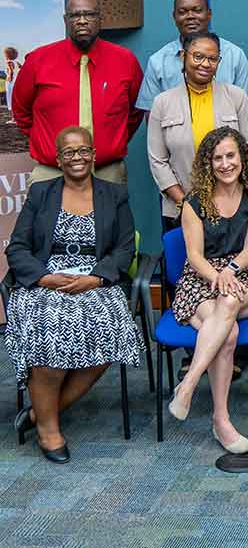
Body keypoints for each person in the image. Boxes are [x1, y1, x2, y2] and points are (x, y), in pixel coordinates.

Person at [4, 127, 144, 463]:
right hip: (46, 277)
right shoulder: (42, 193)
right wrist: (45, 278)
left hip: (94, 278)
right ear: (58, 158)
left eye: (83, 151)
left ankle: (40, 412)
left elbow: (124, 249)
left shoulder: (114, 194)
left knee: (112, 331)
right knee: (47, 331)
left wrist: (96, 278)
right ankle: (49, 431)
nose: (77, 158)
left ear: (94, 155)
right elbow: (19, 247)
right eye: (69, 152)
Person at [164, 127, 248, 455]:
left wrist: (230, 272)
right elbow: (194, 255)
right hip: (199, 276)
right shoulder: (194, 201)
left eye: (230, 156)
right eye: (217, 158)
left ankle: (189, 384)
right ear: (208, 163)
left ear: (242, 158)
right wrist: (217, 276)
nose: (225, 164)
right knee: (229, 332)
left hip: (239, 272)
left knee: (229, 301)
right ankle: (221, 420)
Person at [11, 0, 143, 183]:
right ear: (66, 20)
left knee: (111, 214)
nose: (82, 21)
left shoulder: (125, 60)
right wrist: (45, 140)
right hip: (52, 172)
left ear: (100, 19)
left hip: (107, 172)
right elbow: (21, 110)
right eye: (75, 15)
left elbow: (135, 112)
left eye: (89, 15)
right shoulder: (39, 60)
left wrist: (111, 142)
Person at [148, 31, 248, 234]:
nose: (205, 64)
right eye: (198, 56)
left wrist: (233, 199)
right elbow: (158, 161)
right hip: (180, 207)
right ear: (183, 56)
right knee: (184, 262)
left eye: (212, 59)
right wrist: (187, 204)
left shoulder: (236, 97)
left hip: (233, 206)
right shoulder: (162, 103)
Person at [137, 0, 248, 111]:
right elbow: (151, 114)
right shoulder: (158, 61)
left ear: (209, 14)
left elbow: (245, 109)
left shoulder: (234, 55)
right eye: (183, 12)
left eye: (197, 11)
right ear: (174, 17)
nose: (190, 16)